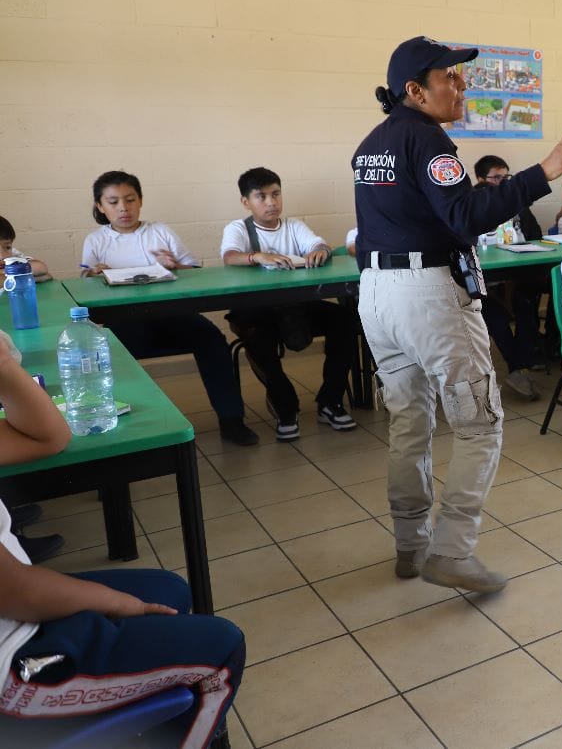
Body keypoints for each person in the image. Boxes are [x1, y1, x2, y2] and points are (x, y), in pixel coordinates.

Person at [352, 36, 562, 591]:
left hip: (377, 296)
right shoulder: (429, 142)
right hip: (429, 299)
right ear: (415, 90)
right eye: (450, 79)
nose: (462, 87)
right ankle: (453, 551)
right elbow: (465, 216)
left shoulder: (373, 143)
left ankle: (410, 546)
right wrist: (543, 171)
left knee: (410, 422)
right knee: (480, 422)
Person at [0, 329, 245, 749]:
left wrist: (5, 366)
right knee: (223, 645)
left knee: (168, 590)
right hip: (11, 663)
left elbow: (49, 438)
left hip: (14, 612)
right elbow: (14, 590)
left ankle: (132, 715)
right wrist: (119, 604)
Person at [81, 171, 258, 446]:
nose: (123, 208)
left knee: (212, 340)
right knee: (113, 355)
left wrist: (176, 266)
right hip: (125, 320)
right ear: (100, 207)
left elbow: (194, 271)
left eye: (130, 200)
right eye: (113, 202)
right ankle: (130, 433)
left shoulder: (159, 231)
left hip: (172, 314)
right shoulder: (96, 240)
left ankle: (232, 421)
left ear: (140, 200)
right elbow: (85, 284)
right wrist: (93, 275)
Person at [221, 166, 358, 442]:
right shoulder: (239, 228)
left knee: (345, 320)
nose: (271, 202)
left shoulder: (294, 225)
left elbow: (317, 244)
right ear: (246, 202)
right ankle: (285, 408)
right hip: (260, 309)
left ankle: (330, 401)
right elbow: (230, 256)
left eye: (276, 194)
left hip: (298, 305)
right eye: (261, 196)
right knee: (258, 338)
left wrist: (320, 250)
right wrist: (258, 256)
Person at [474, 155, 546, 401]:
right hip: (481, 287)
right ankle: (518, 368)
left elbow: (535, 236)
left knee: (526, 305)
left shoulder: (518, 206)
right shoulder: (470, 208)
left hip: (515, 276)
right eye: (497, 178)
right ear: (481, 180)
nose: (503, 183)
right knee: (495, 316)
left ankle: (520, 366)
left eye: (507, 178)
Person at [0, 216, 51, 282]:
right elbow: (44, 277)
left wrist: (4, 272)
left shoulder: (13, 255)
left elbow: (41, 268)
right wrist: (34, 278)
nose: (1, 256)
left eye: (7, 247)